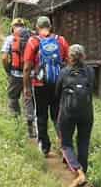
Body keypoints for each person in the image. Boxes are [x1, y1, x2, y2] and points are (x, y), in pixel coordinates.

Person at [22, 16, 69, 156]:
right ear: (50, 26)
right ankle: (64, 145)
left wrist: (26, 88)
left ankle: (44, 147)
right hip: (57, 84)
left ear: (37, 27)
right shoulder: (61, 41)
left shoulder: (33, 41)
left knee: (41, 115)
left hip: (39, 84)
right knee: (57, 115)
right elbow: (68, 61)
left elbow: (27, 67)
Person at [55, 44, 94, 187]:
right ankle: (83, 172)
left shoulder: (64, 72)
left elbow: (57, 92)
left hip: (68, 112)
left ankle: (79, 172)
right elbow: (91, 90)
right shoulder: (90, 71)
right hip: (87, 113)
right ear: (83, 56)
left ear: (70, 57)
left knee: (66, 143)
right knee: (83, 143)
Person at [0, 18, 31, 117]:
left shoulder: (10, 39)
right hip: (30, 75)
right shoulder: (31, 38)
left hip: (15, 74)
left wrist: (8, 70)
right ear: (24, 27)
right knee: (28, 99)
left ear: (12, 27)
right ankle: (30, 124)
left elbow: (4, 57)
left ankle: (15, 119)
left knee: (13, 97)